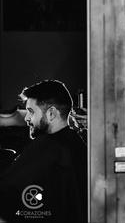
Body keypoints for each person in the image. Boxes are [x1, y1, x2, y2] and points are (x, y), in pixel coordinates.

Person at [0, 80, 87, 223]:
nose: (27, 118)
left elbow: (6, 193)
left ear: (51, 113)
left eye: (31, 111)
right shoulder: (77, 143)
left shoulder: (46, 146)